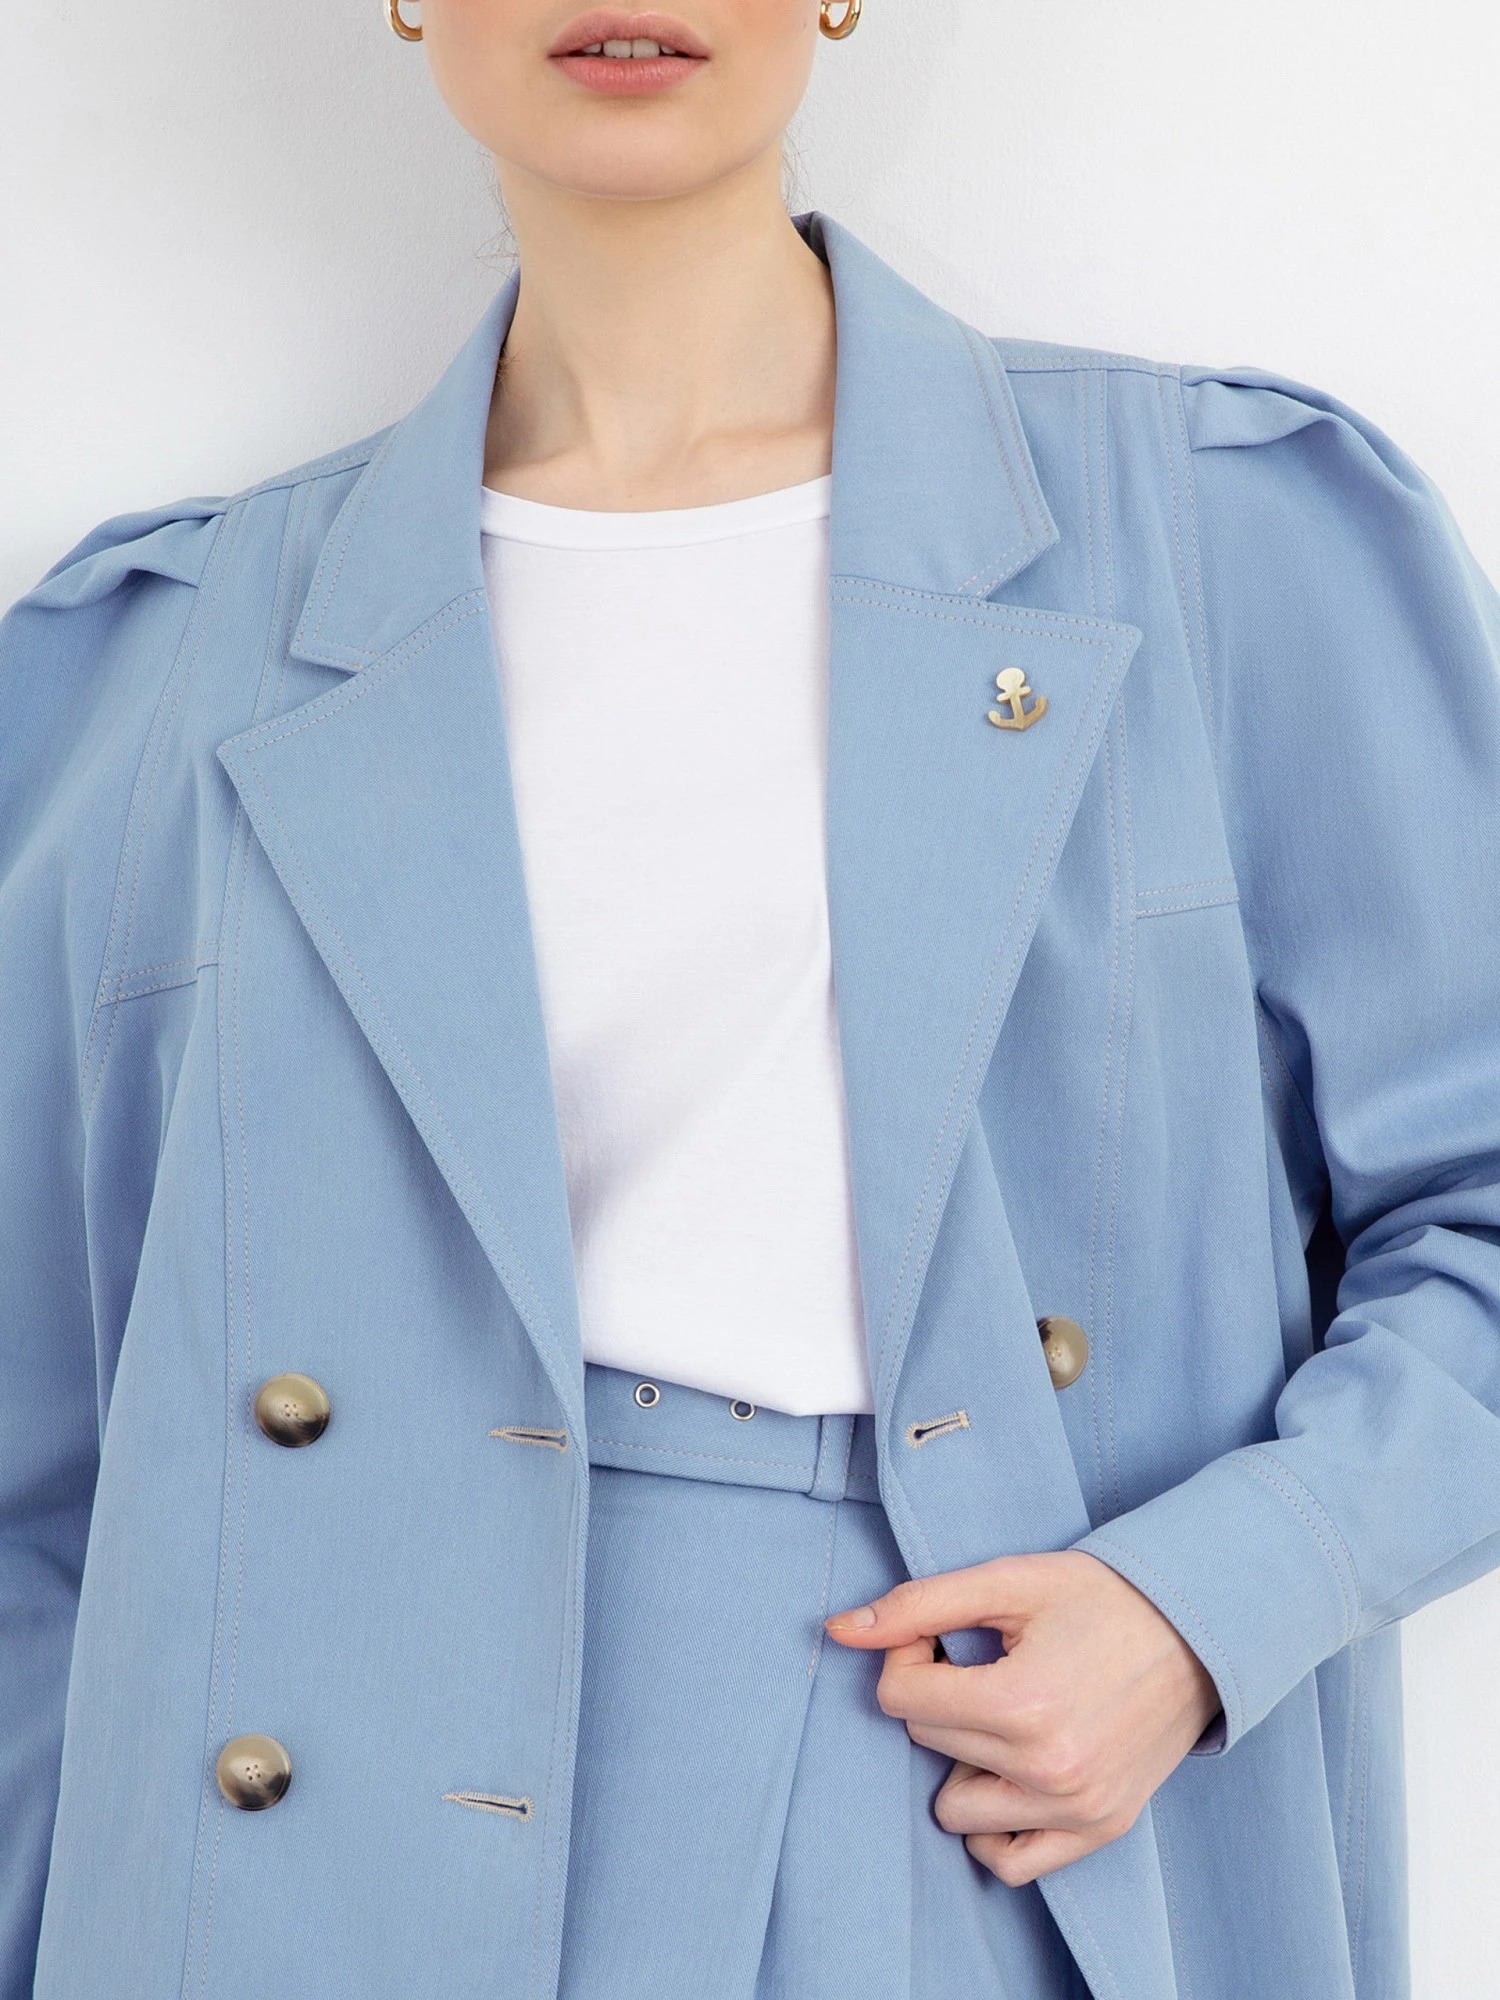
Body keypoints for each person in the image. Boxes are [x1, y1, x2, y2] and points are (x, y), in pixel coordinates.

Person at [3, 3, 1499, 1996]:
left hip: (950, 1785)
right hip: (293, 1863)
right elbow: (35, 1470)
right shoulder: (146, 663)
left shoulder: (1225, 531)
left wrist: (1209, 1605)